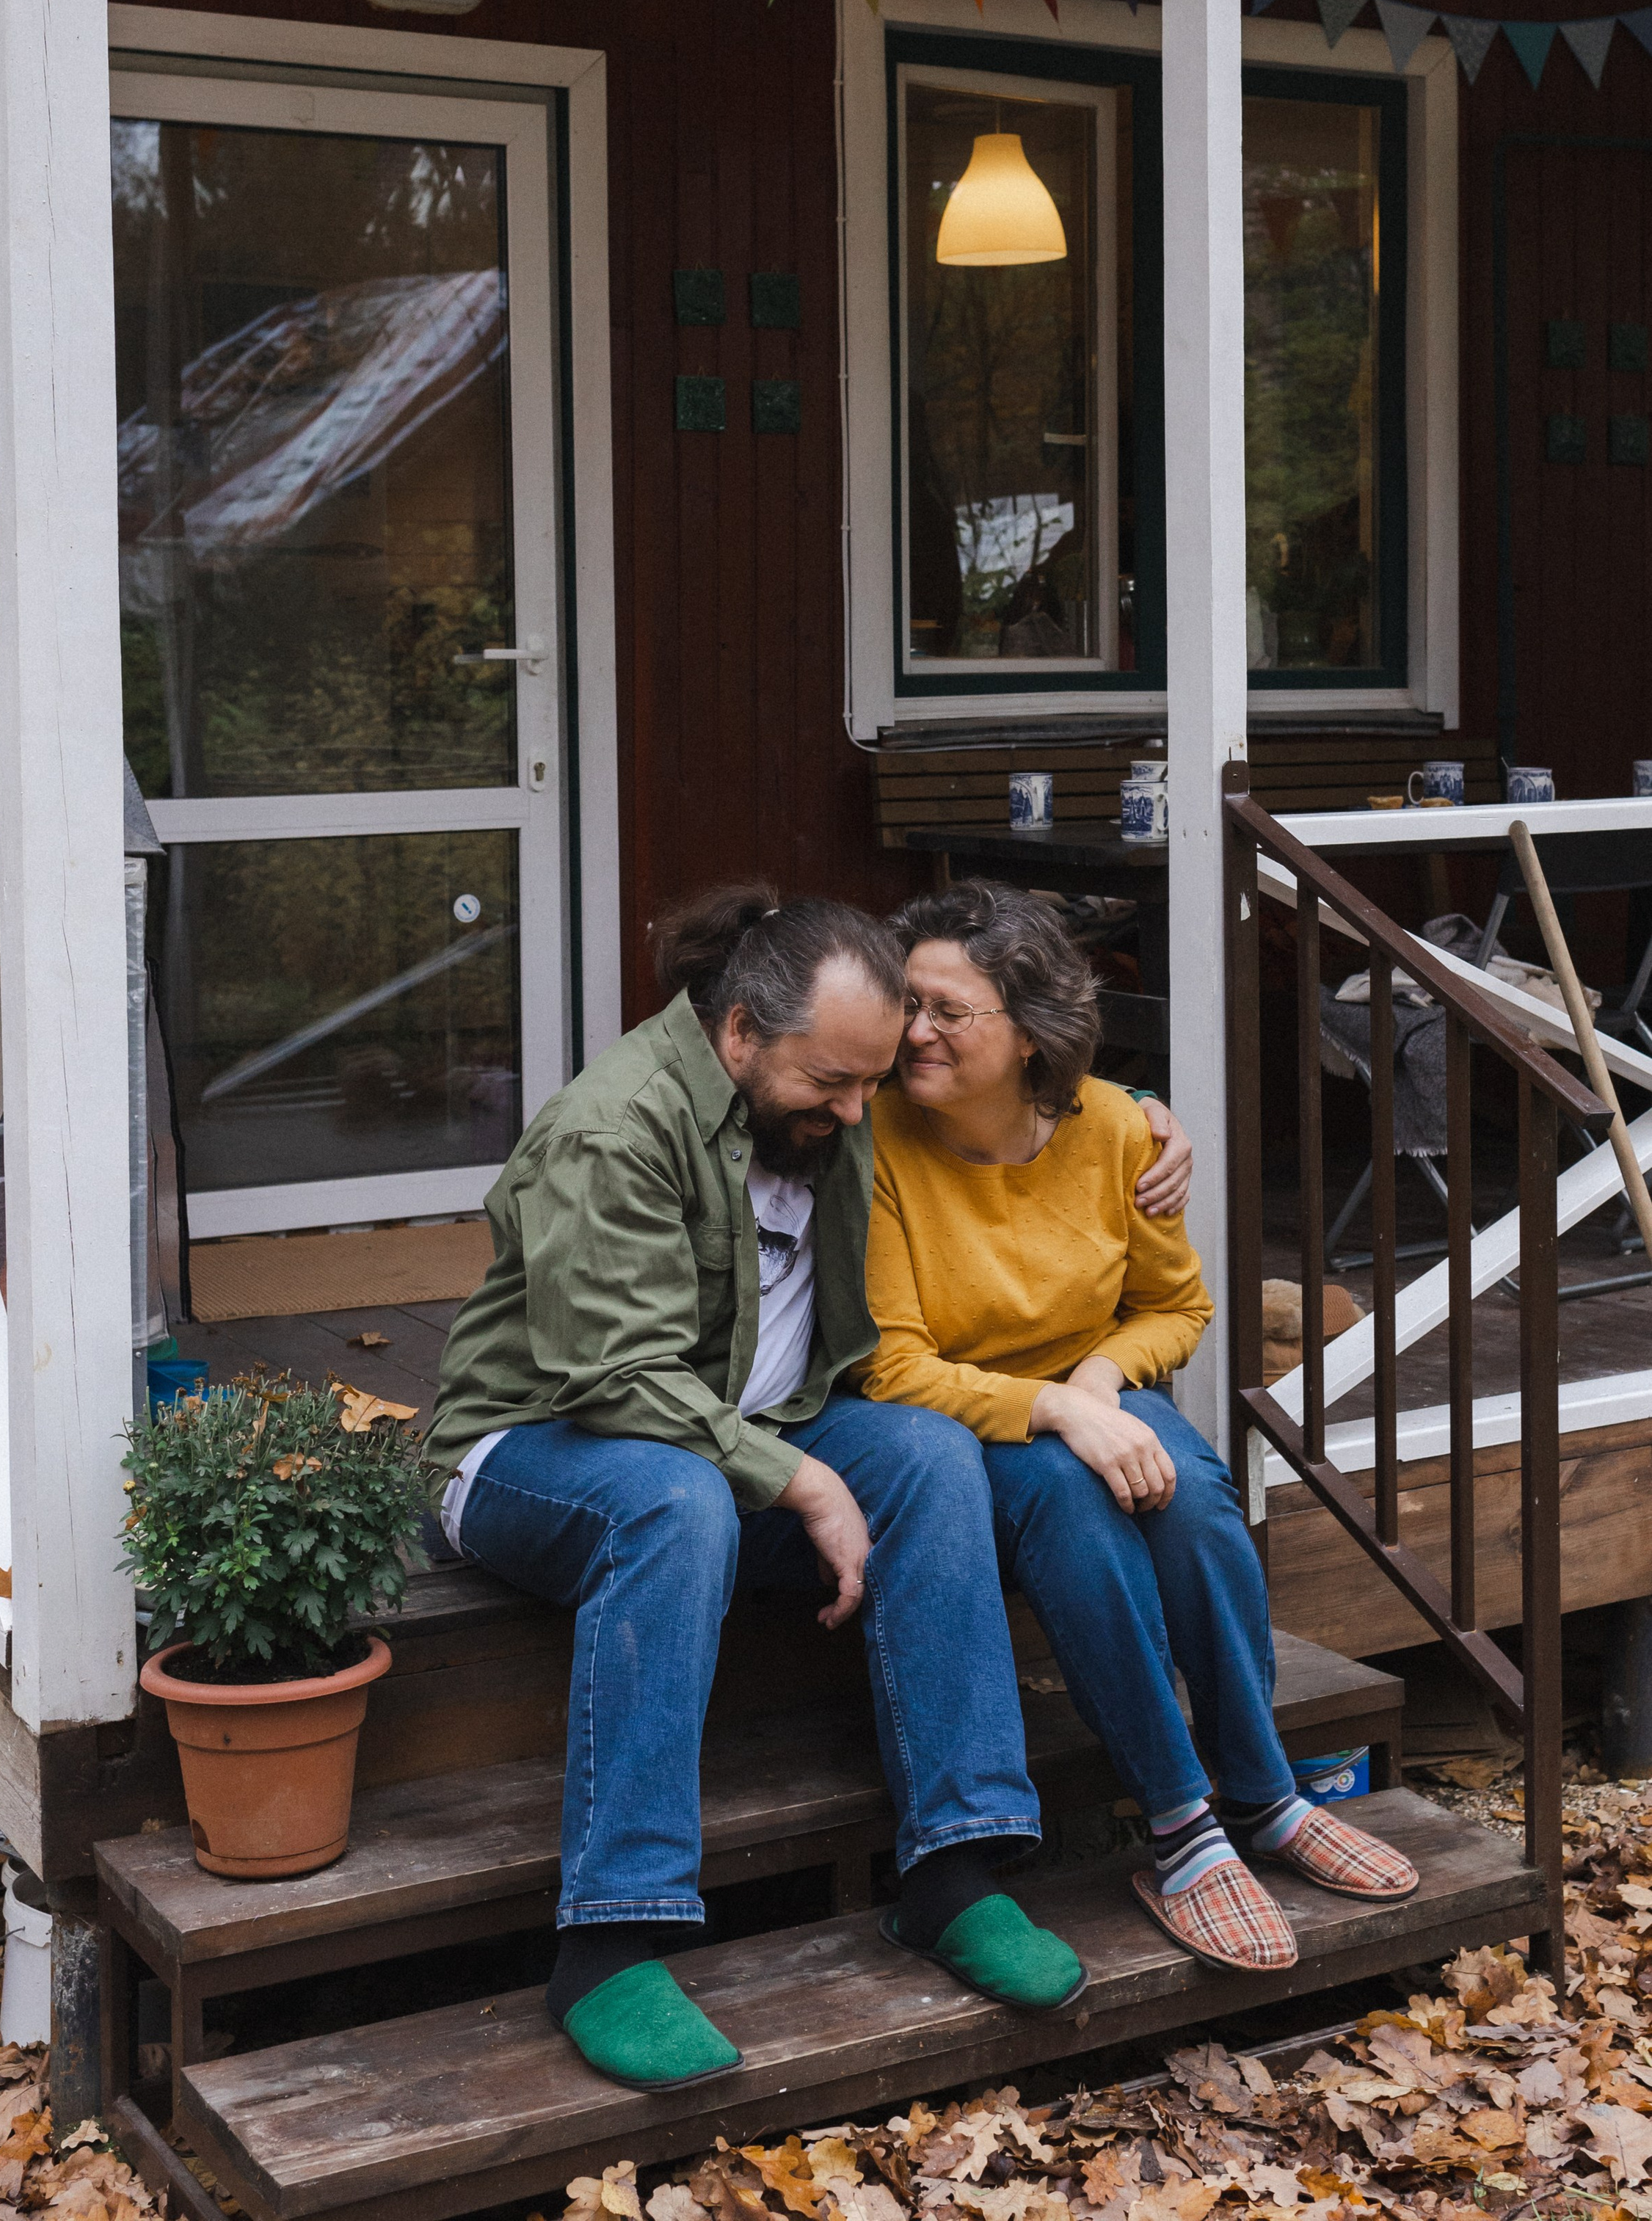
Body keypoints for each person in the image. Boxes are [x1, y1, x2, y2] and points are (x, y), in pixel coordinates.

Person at [423, 884, 1089, 2096]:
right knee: (672, 1499)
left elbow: (1014, 1099)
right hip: (531, 1449)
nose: (855, 1111)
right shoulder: (614, 1127)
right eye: (831, 1084)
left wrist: (1143, 1116)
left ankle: (954, 1869)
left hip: (738, 1445)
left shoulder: (836, 1100)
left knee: (931, 1455)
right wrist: (804, 1484)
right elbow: (608, 1374)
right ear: (739, 1033)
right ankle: (609, 1938)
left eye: (869, 1084)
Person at [858, 877, 1418, 1977]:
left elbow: (1178, 1307)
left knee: (1196, 1499)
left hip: (1092, 1391)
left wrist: (1104, 1381)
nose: (914, 1031)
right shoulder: (874, 1140)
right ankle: (1179, 1825)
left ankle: (1261, 1795)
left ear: (1031, 1034)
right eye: (905, 1003)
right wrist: (1059, 1409)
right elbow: (890, 1363)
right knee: (1076, 1503)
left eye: (948, 1012)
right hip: (963, 1418)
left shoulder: (1117, 1130)